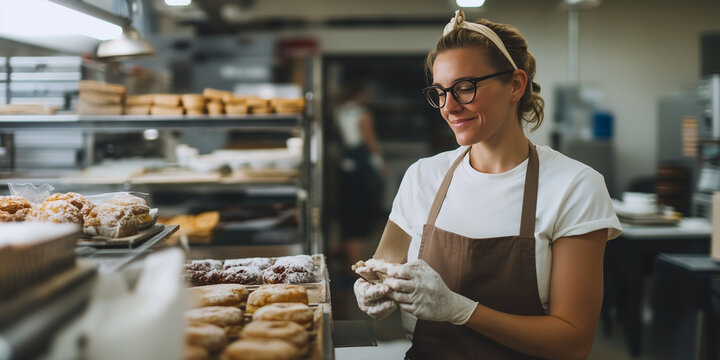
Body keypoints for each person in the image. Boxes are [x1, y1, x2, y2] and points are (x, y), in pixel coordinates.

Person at [353, 10, 622, 360]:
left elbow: (573, 342)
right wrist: (373, 288)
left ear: (516, 85)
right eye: (440, 92)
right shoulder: (423, 176)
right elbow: (382, 267)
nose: (449, 107)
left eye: (465, 88)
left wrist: (461, 310)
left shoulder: (575, 186)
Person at [334, 79, 385, 267]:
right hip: (361, 166)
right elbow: (370, 141)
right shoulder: (363, 114)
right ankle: (354, 264)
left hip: (346, 165)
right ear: (360, 94)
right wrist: (380, 163)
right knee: (360, 212)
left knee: (348, 210)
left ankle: (344, 255)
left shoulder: (340, 111)